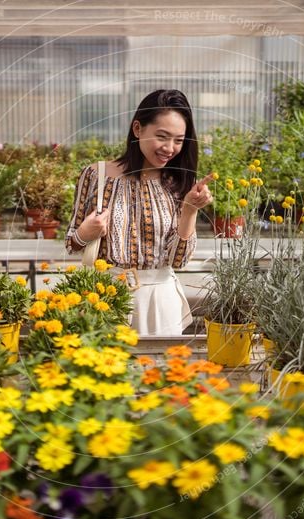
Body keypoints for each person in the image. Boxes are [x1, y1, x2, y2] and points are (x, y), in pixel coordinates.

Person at [65, 89, 213, 335]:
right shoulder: (96, 175)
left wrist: (189, 211)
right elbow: (71, 244)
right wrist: (84, 232)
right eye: (162, 136)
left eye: (179, 140)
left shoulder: (180, 183)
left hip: (160, 300)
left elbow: (180, 261)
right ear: (137, 129)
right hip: (106, 297)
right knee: (105, 370)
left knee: (162, 371)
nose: (170, 148)